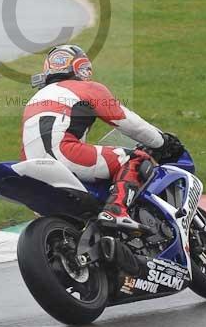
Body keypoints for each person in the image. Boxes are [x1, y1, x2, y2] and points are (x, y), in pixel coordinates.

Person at [20, 44, 184, 230]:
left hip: (32, 167)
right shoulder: (88, 88)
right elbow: (128, 122)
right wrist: (162, 141)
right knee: (135, 159)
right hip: (65, 155)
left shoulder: (35, 99)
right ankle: (116, 210)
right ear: (81, 69)